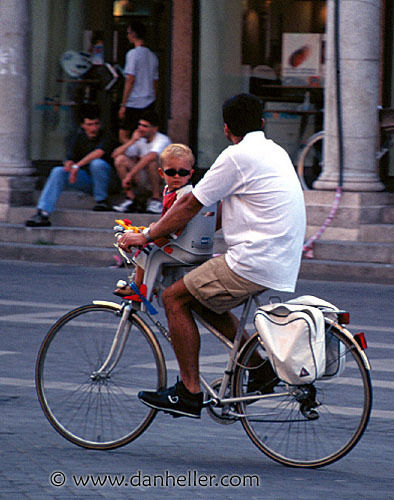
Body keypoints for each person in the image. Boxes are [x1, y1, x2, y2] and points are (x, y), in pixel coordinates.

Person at [118, 93, 306, 419]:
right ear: (262, 123)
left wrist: (148, 235)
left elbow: (191, 205)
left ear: (226, 129)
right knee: (201, 297)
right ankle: (259, 368)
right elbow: (213, 213)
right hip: (280, 258)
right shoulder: (274, 151)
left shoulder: (236, 156)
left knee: (175, 298)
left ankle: (188, 392)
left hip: (254, 259)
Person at [115, 143, 195, 298]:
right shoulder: (168, 190)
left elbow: (177, 220)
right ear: (161, 173)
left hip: (180, 238)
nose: (177, 176)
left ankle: (137, 287)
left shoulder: (186, 193)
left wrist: (153, 230)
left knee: (146, 250)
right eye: (171, 172)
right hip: (174, 235)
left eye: (183, 172)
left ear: (190, 174)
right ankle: (156, 285)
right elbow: (169, 217)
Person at [26, 107, 115, 228]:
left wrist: (76, 166)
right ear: (83, 125)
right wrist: (69, 164)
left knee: (97, 163)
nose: (93, 128)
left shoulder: (106, 135)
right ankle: (43, 212)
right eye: (89, 124)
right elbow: (70, 157)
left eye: (96, 124)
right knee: (58, 171)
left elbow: (98, 153)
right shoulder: (77, 136)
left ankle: (102, 201)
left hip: (108, 182)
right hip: (87, 181)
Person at [112, 111, 171, 214]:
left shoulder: (162, 139)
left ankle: (156, 200)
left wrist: (130, 175)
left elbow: (151, 156)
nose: (140, 128)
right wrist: (132, 141)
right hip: (143, 178)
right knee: (120, 160)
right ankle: (131, 200)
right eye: (139, 125)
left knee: (152, 163)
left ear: (154, 129)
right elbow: (115, 155)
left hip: (162, 182)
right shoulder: (140, 140)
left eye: (144, 126)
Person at [118, 20, 159, 144]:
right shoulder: (152, 56)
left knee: (124, 133)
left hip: (134, 101)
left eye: (128, 33)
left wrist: (123, 104)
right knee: (145, 133)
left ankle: (132, 153)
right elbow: (155, 82)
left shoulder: (133, 54)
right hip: (149, 100)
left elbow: (130, 79)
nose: (127, 36)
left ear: (133, 34)